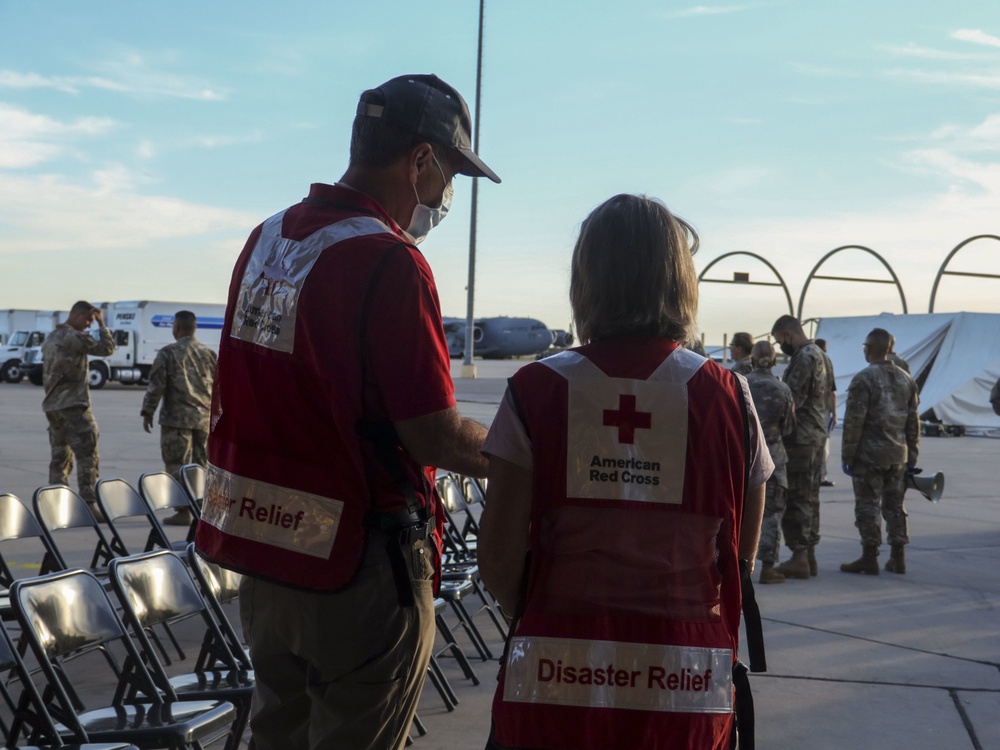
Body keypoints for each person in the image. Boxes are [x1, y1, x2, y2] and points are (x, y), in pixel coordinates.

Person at [193, 73, 497, 750]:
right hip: (356, 565)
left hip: (267, 555)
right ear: (419, 161)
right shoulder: (389, 260)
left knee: (278, 733)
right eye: (447, 174)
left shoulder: (267, 240)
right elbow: (433, 434)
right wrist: (519, 450)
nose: (446, 196)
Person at [478, 194, 770, 750]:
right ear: (680, 280)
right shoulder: (731, 396)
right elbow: (737, 556)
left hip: (555, 672)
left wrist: (549, 622)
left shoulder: (534, 391)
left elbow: (497, 557)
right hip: (686, 680)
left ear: (586, 279)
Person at [840, 328, 919, 575]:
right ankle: (898, 556)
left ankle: (869, 556)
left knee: (868, 506)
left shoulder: (864, 379)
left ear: (870, 349)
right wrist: (912, 455)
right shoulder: (906, 378)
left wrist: (848, 456)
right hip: (898, 455)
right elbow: (912, 422)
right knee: (895, 506)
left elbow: (854, 421)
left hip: (869, 457)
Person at [140, 310, 217, 526]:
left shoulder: (168, 353)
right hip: (203, 421)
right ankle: (204, 509)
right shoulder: (209, 354)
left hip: (176, 421)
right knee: (202, 465)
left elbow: (156, 386)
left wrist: (148, 412)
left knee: (176, 465)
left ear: (177, 329)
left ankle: (183, 511)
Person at [771, 315, 832, 579]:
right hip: (816, 437)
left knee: (796, 498)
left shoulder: (804, 358)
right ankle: (809, 556)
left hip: (800, 439)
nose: (779, 346)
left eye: (779, 341)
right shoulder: (821, 354)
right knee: (810, 497)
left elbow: (791, 400)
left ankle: (799, 555)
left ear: (788, 334)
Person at [41, 301, 115, 517]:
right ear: (77, 315)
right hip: (74, 405)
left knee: (59, 456)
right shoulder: (74, 337)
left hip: (53, 406)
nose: (89, 325)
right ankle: (88, 505)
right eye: (88, 320)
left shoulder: (51, 338)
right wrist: (102, 324)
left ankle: (56, 506)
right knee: (87, 455)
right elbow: (107, 348)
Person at [746, 340, 796, 584]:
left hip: (742, 456)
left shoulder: (739, 384)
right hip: (773, 459)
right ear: (775, 361)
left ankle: (738, 565)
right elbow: (789, 427)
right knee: (772, 514)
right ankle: (767, 567)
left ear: (751, 360)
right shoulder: (782, 389)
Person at [814, 338, 837, 488]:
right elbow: (832, 392)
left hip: (811, 412)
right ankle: (821, 476)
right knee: (823, 446)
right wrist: (834, 413)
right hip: (822, 412)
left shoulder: (807, 360)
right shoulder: (826, 362)